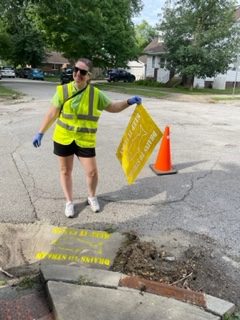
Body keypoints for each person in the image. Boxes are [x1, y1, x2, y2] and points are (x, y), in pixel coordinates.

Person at [32, 58, 142, 218]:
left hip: (85, 140)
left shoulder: (95, 94)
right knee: (65, 171)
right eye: (76, 69)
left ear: (89, 75)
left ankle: (91, 196)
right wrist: (40, 132)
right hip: (63, 138)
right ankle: (69, 202)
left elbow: (112, 107)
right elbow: (52, 113)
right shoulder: (62, 91)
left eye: (82, 72)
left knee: (91, 172)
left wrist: (128, 101)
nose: (77, 74)